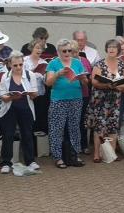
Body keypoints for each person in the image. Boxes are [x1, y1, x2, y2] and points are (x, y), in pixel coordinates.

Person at [45, 39, 88, 169]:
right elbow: (48, 83)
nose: (67, 53)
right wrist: (58, 74)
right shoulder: (53, 63)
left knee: (75, 127)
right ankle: (58, 157)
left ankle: (74, 154)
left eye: (70, 50)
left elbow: (86, 82)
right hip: (59, 100)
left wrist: (82, 78)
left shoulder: (77, 62)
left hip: (76, 98)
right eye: (64, 51)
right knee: (57, 128)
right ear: (58, 52)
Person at [87, 39, 124, 163]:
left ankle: (111, 153)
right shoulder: (99, 64)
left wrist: (116, 86)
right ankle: (97, 154)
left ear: (118, 50)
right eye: (109, 47)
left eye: (114, 47)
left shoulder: (122, 64)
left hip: (115, 100)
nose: (111, 49)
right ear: (106, 49)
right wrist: (107, 85)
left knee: (113, 126)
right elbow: (94, 81)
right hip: (100, 100)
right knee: (100, 126)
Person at [0, 51, 40, 174]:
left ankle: (30, 161)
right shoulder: (5, 76)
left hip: (26, 108)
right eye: (15, 65)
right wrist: (11, 97)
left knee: (27, 134)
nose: (18, 68)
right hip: (9, 109)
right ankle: (6, 162)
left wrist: (31, 93)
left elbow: (35, 94)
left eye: (20, 65)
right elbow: (2, 96)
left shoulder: (30, 75)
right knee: (8, 135)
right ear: (10, 64)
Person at [69, 39, 92, 155]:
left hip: (83, 94)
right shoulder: (66, 62)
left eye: (77, 51)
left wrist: (84, 78)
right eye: (72, 52)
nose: (75, 54)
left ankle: (84, 145)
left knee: (82, 120)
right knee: (72, 121)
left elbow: (89, 80)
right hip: (70, 94)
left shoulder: (84, 61)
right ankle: (72, 146)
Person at [23, 39, 49, 134]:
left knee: (39, 118)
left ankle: (39, 145)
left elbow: (46, 81)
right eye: (37, 48)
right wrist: (32, 72)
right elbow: (21, 77)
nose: (39, 50)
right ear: (31, 48)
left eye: (41, 48)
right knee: (29, 119)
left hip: (40, 94)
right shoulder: (24, 61)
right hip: (28, 94)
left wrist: (45, 75)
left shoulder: (44, 63)